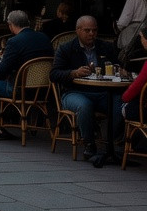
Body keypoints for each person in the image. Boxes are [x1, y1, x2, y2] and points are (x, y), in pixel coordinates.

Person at [51, 16, 123, 167]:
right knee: (84, 106)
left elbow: (118, 65)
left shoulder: (105, 47)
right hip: (75, 92)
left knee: (120, 102)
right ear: (78, 31)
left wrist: (119, 70)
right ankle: (89, 145)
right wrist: (73, 73)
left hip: (102, 92)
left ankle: (111, 143)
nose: (92, 34)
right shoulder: (66, 48)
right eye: (87, 30)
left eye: (94, 30)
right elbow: (54, 74)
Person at [0, 10, 53, 140]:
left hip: (20, 90)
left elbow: (1, 72)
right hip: (44, 90)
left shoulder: (14, 41)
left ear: (11, 25)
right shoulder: (44, 37)